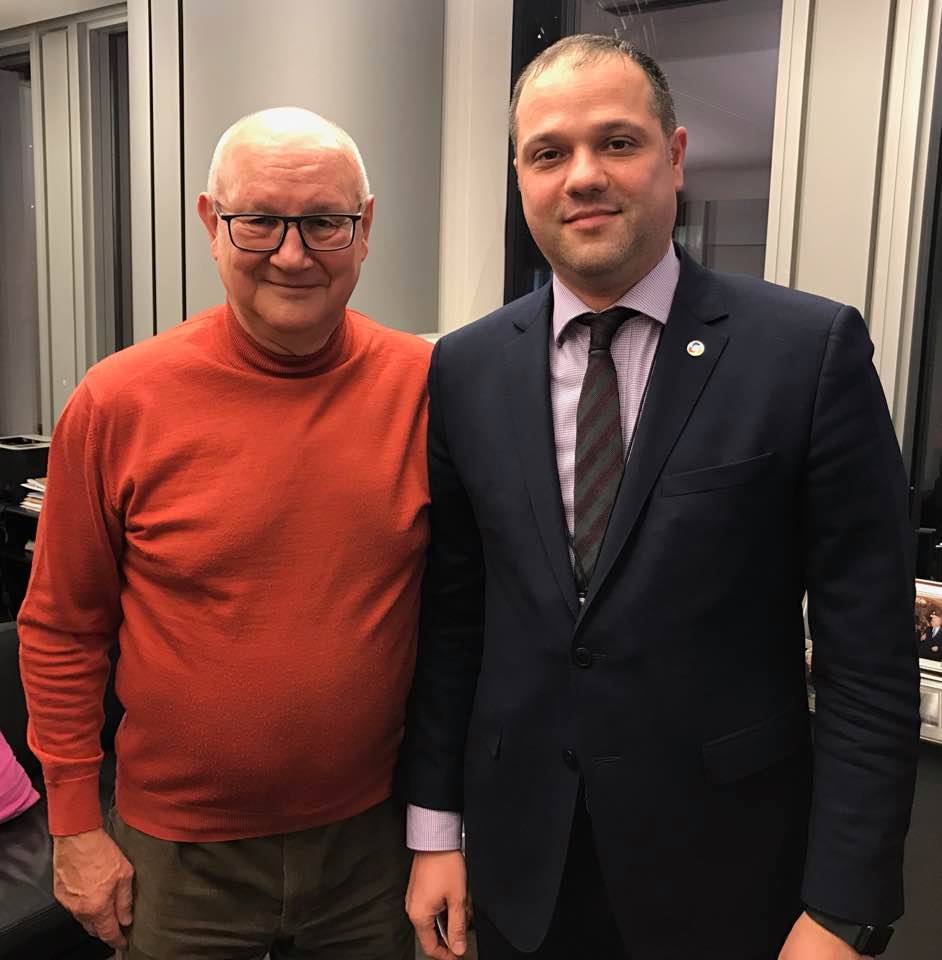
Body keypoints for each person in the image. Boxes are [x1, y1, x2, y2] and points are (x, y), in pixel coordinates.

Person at [402, 35, 920, 960]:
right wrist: (436, 828)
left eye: (618, 142)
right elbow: (454, 617)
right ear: (521, 178)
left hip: (729, 876)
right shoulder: (467, 367)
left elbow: (868, 657)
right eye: (549, 153)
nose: (583, 176)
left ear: (674, 157)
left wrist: (845, 908)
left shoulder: (805, 354)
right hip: (522, 871)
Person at [18, 107, 431, 960]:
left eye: (324, 221)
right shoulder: (118, 402)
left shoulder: (428, 389)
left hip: (373, 845)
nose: (293, 254)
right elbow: (62, 629)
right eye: (259, 221)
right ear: (211, 223)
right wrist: (73, 825)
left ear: (365, 228)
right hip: (178, 858)